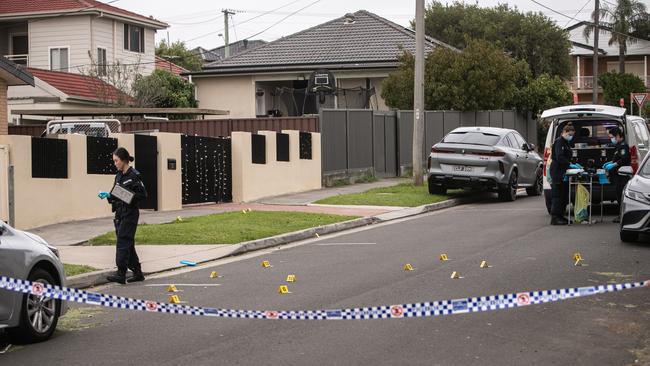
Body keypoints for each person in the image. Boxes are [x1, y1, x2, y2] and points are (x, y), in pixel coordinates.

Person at [98, 147, 148, 284]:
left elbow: (142, 195)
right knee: (128, 244)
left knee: (122, 241)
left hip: (130, 214)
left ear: (124, 160)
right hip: (119, 213)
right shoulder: (119, 175)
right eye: (114, 161)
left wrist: (122, 195)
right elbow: (115, 193)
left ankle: (121, 273)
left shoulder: (134, 175)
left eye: (116, 161)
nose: (115, 163)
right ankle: (137, 273)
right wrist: (108, 196)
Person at [550, 124, 578, 225]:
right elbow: (560, 157)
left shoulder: (566, 143)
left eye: (572, 135)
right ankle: (555, 217)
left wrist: (573, 164)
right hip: (557, 171)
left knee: (563, 195)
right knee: (557, 195)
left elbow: (567, 156)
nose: (571, 136)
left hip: (563, 171)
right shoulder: (559, 142)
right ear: (565, 132)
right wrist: (570, 164)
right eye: (569, 134)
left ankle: (561, 216)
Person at [603, 127, 631, 223]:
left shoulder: (623, 146)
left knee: (620, 196)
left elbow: (624, 159)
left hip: (622, 175)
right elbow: (617, 157)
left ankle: (622, 216)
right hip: (617, 174)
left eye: (612, 137)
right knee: (618, 195)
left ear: (618, 136)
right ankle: (621, 215)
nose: (611, 139)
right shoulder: (619, 145)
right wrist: (610, 162)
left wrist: (613, 164)